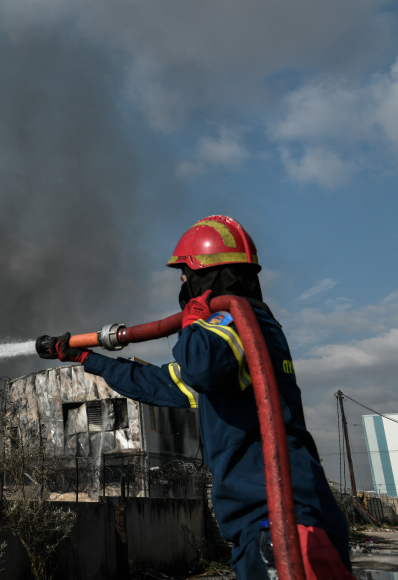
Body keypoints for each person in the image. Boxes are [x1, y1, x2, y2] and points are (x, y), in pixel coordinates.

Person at [40, 215, 353, 580]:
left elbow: (200, 364)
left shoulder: (241, 322)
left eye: (185, 275)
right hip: (262, 521)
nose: (183, 284)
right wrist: (86, 359)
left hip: (285, 517)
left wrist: (193, 319)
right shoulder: (231, 350)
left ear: (207, 276)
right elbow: (159, 383)